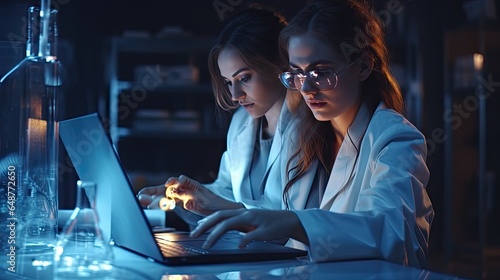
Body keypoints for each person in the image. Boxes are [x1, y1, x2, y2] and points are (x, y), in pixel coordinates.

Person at [189, 0, 434, 269]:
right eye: (297, 73)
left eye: (321, 72)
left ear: (363, 66)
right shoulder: (310, 135)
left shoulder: (396, 139)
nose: (306, 88)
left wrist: (293, 222)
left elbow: (389, 232)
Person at [138, 7, 297, 222]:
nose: (235, 95)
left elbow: (289, 218)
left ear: (279, 64)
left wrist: (218, 205)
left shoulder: (310, 128)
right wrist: (184, 198)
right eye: (228, 82)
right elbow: (226, 190)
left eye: (245, 78)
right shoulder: (243, 121)